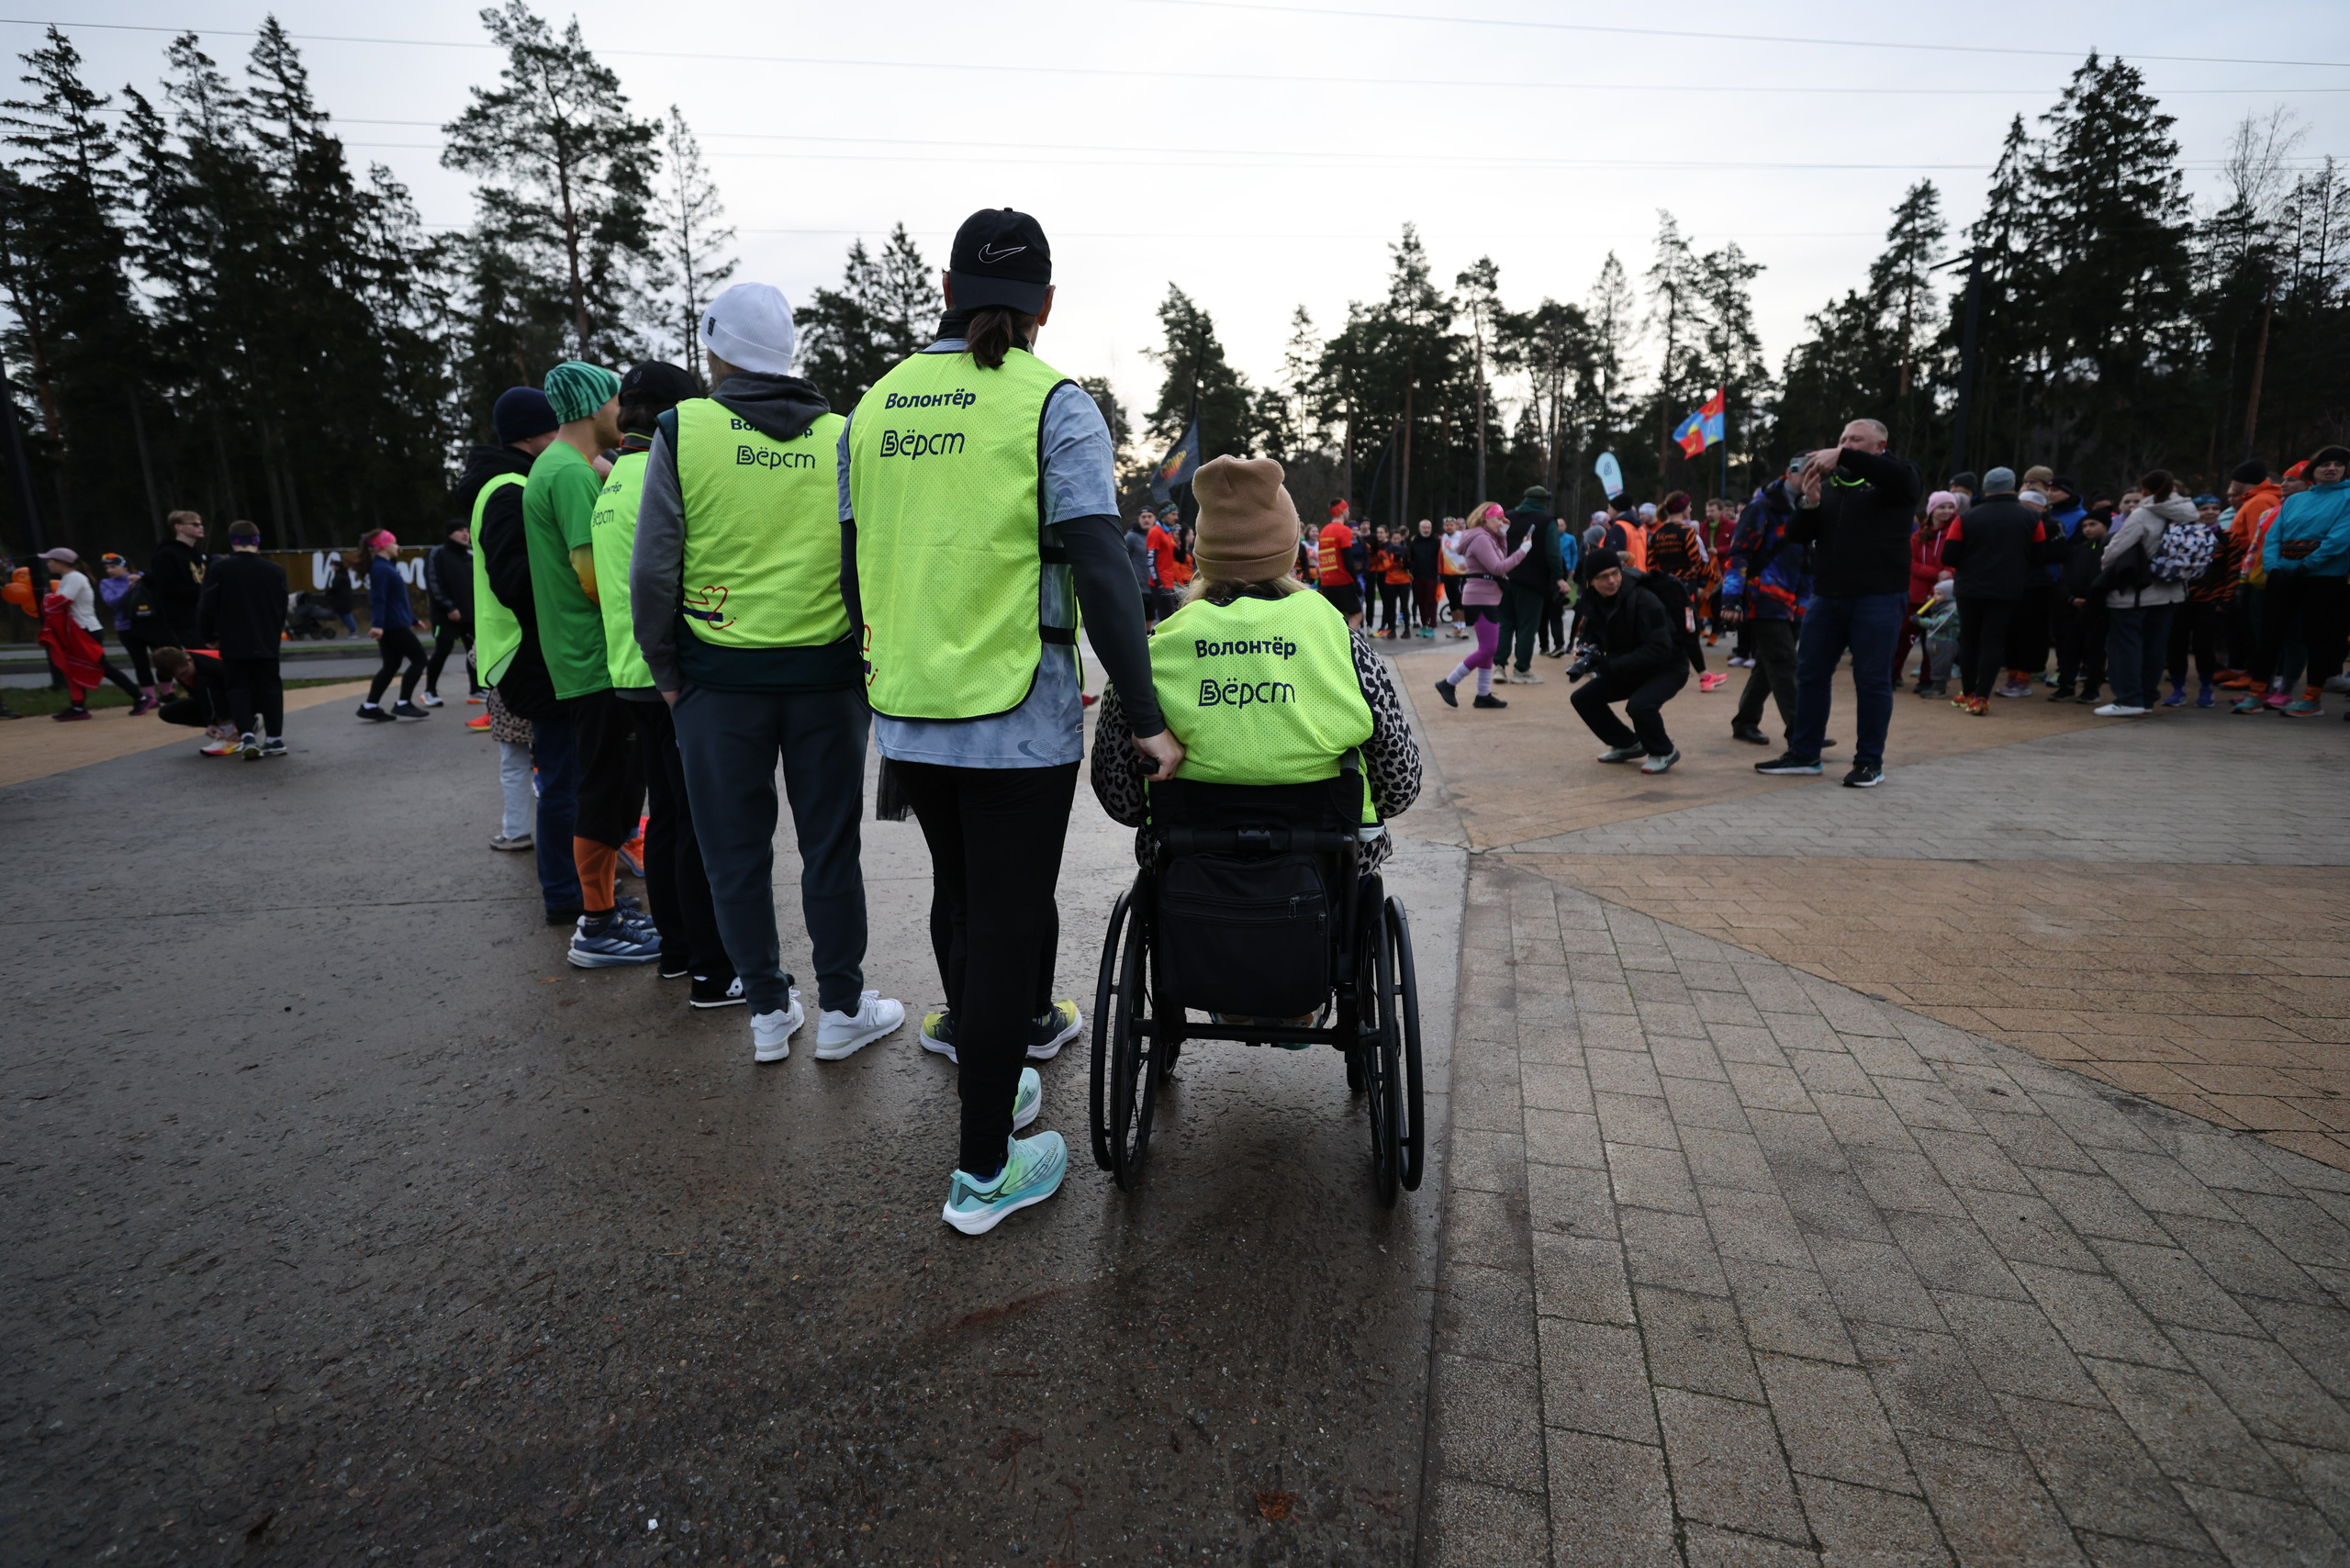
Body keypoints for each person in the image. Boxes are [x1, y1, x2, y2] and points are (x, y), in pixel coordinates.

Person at [840, 207, 1174, 1237]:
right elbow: (1107, 575)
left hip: (907, 708)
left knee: (962, 897)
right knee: (1006, 923)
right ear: (1045, 306)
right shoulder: (1051, 405)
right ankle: (983, 1168)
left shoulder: (877, 404)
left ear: (944, 292)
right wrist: (1147, 717)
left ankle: (998, 1081)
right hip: (1014, 713)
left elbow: (856, 569)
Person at [634, 296, 892, 1035]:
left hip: (717, 683)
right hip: (827, 678)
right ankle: (843, 1007)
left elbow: (655, 568)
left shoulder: (683, 431)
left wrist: (666, 672)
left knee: (733, 853)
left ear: (716, 356)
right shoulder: (843, 435)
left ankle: (769, 1010)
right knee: (831, 850)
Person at [1087, 452, 1423, 868]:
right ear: (1287, 548)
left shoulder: (1157, 647)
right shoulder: (1339, 637)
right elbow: (1400, 784)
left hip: (1188, 863)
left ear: (1204, 553)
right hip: (1326, 860)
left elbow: (1121, 798)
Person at [582, 357, 739, 1003]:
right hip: (674, 673)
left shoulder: (616, 479)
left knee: (669, 819)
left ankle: (677, 952)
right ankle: (712, 967)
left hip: (629, 671)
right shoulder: (664, 469)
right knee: (701, 824)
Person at [529, 359, 660, 969]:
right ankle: (598, 923)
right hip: (596, 659)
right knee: (607, 790)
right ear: (592, 407)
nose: (621, 415)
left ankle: (600, 907)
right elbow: (590, 575)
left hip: (577, 657)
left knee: (603, 785)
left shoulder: (551, 467)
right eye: (615, 402)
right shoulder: (572, 475)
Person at [1753, 418, 1920, 789]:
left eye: (1856, 440)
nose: (1846, 445)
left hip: (1878, 596)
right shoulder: (1830, 488)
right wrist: (1810, 504)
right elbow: (1797, 535)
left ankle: (1869, 762)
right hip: (1827, 597)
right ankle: (1804, 753)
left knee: (1872, 680)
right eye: (1842, 438)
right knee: (1810, 674)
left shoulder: (1898, 478)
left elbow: (1896, 477)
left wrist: (1843, 455)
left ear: (1880, 445)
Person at [465, 386, 579, 924]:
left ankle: (572, 890)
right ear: (535, 434)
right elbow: (515, 579)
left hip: (521, 650)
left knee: (562, 775)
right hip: (530, 653)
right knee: (562, 780)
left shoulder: (503, 482)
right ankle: (565, 895)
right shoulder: (509, 488)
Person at [1939, 468, 2053, 716]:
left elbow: (1948, 555)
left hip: (1970, 586)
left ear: (1986, 487)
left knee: (1969, 639)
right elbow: (2040, 556)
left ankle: (1968, 691)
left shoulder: (1966, 517)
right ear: (2013, 486)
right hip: (2007, 586)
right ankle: (1982, 697)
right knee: (1993, 640)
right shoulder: (2033, 518)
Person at [2085, 470, 2196, 717]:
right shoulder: (2190, 514)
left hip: (2134, 591)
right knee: (2155, 647)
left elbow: (2115, 549)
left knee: (2125, 645)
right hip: (2172, 591)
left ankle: (2128, 698)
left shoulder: (2144, 514)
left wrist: (2106, 566)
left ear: (2145, 491)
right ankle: (2146, 698)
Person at [1566, 548, 1687, 773]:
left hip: (1668, 667)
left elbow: (1660, 648)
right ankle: (1629, 744)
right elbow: (1590, 636)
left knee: (1640, 705)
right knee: (1583, 698)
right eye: (1603, 577)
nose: (1612, 581)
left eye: (1615, 573)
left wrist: (1611, 665)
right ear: (1591, 582)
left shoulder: (1645, 600)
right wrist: (1584, 651)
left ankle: (1663, 751)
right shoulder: (1593, 602)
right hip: (1630, 667)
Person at [2253, 444, 2350, 717]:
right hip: (2282, 575)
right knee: (2270, 635)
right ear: (2313, 471)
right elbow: (2274, 535)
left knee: (2316, 638)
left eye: (2337, 464)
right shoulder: (2296, 500)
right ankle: (2257, 692)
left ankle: (2312, 698)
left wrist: (2306, 565)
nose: (2331, 468)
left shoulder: (2348, 497)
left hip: (2324, 578)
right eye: (2324, 464)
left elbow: (2340, 538)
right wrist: (2273, 567)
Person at [1724, 460, 1809, 747]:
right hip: (1765, 598)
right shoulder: (1761, 508)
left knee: (1767, 664)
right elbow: (1738, 555)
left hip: (1800, 600)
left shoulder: (1814, 507)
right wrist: (1731, 599)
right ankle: (1802, 731)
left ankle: (1745, 722)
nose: (1817, 482)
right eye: (1812, 474)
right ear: (1792, 473)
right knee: (1785, 662)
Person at [196, 520, 289, 757]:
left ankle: (247, 735)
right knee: (271, 687)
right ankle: (275, 738)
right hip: (266, 639)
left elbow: (207, 604)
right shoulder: (275, 570)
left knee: (238, 688)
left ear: (232, 542)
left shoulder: (220, 569)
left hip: (233, 638)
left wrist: (209, 635)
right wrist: (274, 632)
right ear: (257, 541)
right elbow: (281, 606)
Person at [1430, 501, 1530, 710]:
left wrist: (1502, 535)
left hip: (1485, 596)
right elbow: (1498, 567)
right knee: (1488, 648)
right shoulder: (1480, 538)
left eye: (1503, 519)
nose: (1501, 522)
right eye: (1498, 519)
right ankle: (1448, 682)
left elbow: (1500, 558)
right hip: (1480, 597)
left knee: (1487, 649)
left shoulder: (1485, 537)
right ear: (1487, 518)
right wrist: (1522, 551)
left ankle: (1483, 694)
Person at [36, 547, 142, 718]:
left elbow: (63, 601)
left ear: (61, 562)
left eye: (50, 561)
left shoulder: (74, 578)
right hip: (80, 629)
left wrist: (46, 599)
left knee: (103, 667)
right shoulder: (68, 578)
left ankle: (140, 697)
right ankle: (78, 706)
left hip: (86, 629)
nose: (48, 564)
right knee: (73, 667)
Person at [2162, 495, 2235, 708]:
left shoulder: (2228, 538)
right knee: (2176, 645)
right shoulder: (2177, 536)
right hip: (2179, 599)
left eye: (2215, 508)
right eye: (2204, 508)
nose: (2210, 512)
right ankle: (2178, 690)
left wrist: (2227, 599)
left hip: (2211, 601)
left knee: (2204, 647)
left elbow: (2234, 571)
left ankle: (2206, 688)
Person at [1643, 492, 1715, 689]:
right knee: (1690, 629)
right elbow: (1699, 561)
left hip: (1665, 587)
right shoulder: (1687, 532)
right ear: (1682, 508)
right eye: (1689, 506)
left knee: (1670, 628)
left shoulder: (1657, 534)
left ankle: (1666, 671)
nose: (1690, 509)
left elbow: (1650, 566)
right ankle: (1704, 676)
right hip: (1685, 588)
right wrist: (1702, 581)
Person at [355, 531, 430, 721]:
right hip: (392, 625)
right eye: (394, 543)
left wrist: (412, 619)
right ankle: (403, 703)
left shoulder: (385, 566)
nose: (398, 547)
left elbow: (396, 600)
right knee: (419, 659)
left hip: (393, 622)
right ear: (384, 546)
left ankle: (369, 706)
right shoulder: (381, 568)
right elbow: (379, 599)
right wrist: (378, 625)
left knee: (391, 664)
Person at [1494, 486, 1564, 684]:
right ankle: (1521, 670)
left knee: (1505, 624)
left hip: (1504, 577)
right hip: (1532, 581)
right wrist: (1558, 577)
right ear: (1544, 501)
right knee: (1527, 626)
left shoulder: (1506, 517)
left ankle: (1499, 667)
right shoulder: (1546, 521)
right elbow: (1553, 553)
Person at [2053, 510, 2110, 703]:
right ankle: (2066, 686)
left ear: (2106, 526)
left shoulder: (2109, 548)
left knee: (2093, 650)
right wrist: (2069, 598)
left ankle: (2091, 689)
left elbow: (2106, 578)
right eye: (2085, 525)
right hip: (2071, 608)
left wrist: (2092, 600)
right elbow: (2065, 577)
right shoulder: (2077, 550)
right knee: (2069, 648)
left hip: (2096, 610)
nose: (2088, 529)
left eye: (2093, 524)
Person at [422, 519, 478, 707]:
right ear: (450, 533)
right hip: (445, 616)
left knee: (474, 652)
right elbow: (433, 583)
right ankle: (430, 691)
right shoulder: (438, 553)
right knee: (442, 651)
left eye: (467, 531)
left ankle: (475, 690)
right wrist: (449, 606)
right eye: (460, 530)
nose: (465, 534)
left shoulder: (469, 557)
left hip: (469, 615)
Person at [98, 554, 162, 712]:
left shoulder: (139, 576)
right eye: (107, 568)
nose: (110, 571)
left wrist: (141, 580)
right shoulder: (106, 583)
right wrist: (128, 588)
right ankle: (150, 697)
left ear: (124, 567)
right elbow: (111, 602)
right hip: (125, 627)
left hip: (148, 623)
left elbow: (157, 588)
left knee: (162, 657)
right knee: (140, 662)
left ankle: (167, 693)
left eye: (114, 567)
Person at [146, 511, 209, 650]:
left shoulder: (200, 554)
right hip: (183, 618)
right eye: (195, 524)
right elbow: (168, 587)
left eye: (201, 524)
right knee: (201, 655)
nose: (201, 527)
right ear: (178, 527)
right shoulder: (166, 554)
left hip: (205, 616)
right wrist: (204, 591)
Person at [1315, 500, 1363, 627]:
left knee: (1334, 618)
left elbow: (1323, 558)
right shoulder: (1344, 530)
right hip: (1343, 581)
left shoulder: (1324, 531)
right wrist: (1356, 582)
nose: (1348, 512)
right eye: (1347, 509)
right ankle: (1348, 645)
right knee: (1356, 615)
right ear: (1343, 511)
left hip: (1327, 582)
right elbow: (1348, 559)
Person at [1914, 579, 1961, 696]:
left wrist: (1920, 621)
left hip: (1945, 643)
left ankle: (1939, 688)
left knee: (1942, 665)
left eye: (1939, 594)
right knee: (1936, 664)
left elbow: (1938, 624)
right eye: (1935, 593)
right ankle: (1937, 684)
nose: (1935, 597)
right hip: (1936, 641)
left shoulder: (1952, 609)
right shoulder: (1943, 606)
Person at [1125, 507, 1161, 627]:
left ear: (1155, 518)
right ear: (1139, 519)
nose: (1146, 519)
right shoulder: (1131, 537)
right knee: (1135, 624)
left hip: (1152, 588)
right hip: (1136, 589)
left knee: (1149, 625)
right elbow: (1124, 560)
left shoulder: (1158, 536)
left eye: (1149, 516)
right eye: (1143, 517)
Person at [1408, 517, 1442, 639]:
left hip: (1432, 575)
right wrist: (1411, 572)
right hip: (1417, 576)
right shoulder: (1415, 541)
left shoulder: (1436, 541)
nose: (1426, 530)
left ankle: (1432, 626)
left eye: (1428, 528)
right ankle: (1424, 624)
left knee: (1431, 601)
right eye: (1424, 527)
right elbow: (1411, 559)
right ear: (1419, 528)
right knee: (1420, 601)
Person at [1438, 516, 1468, 636]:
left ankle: (1464, 628)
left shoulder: (1462, 536)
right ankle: (1456, 627)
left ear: (1456, 526)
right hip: (1447, 573)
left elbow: (1470, 550)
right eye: (1447, 525)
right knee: (1452, 601)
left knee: (1460, 600)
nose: (1449, 527)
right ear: (1443, 527)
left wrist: (1468, 563)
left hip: (1460, 573)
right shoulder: (1443, 537)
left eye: (1451, 525)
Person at [325, 551, 357, 635]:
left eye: (333, 566)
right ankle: (352, 630)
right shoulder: (343, 575)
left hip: (342, 599)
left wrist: (329, 592)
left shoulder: (339, 576)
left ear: (337, 567)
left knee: (346, 614)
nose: (332, 567)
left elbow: (335, 587)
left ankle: (353, 631)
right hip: (344, 598)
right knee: (345, 614)